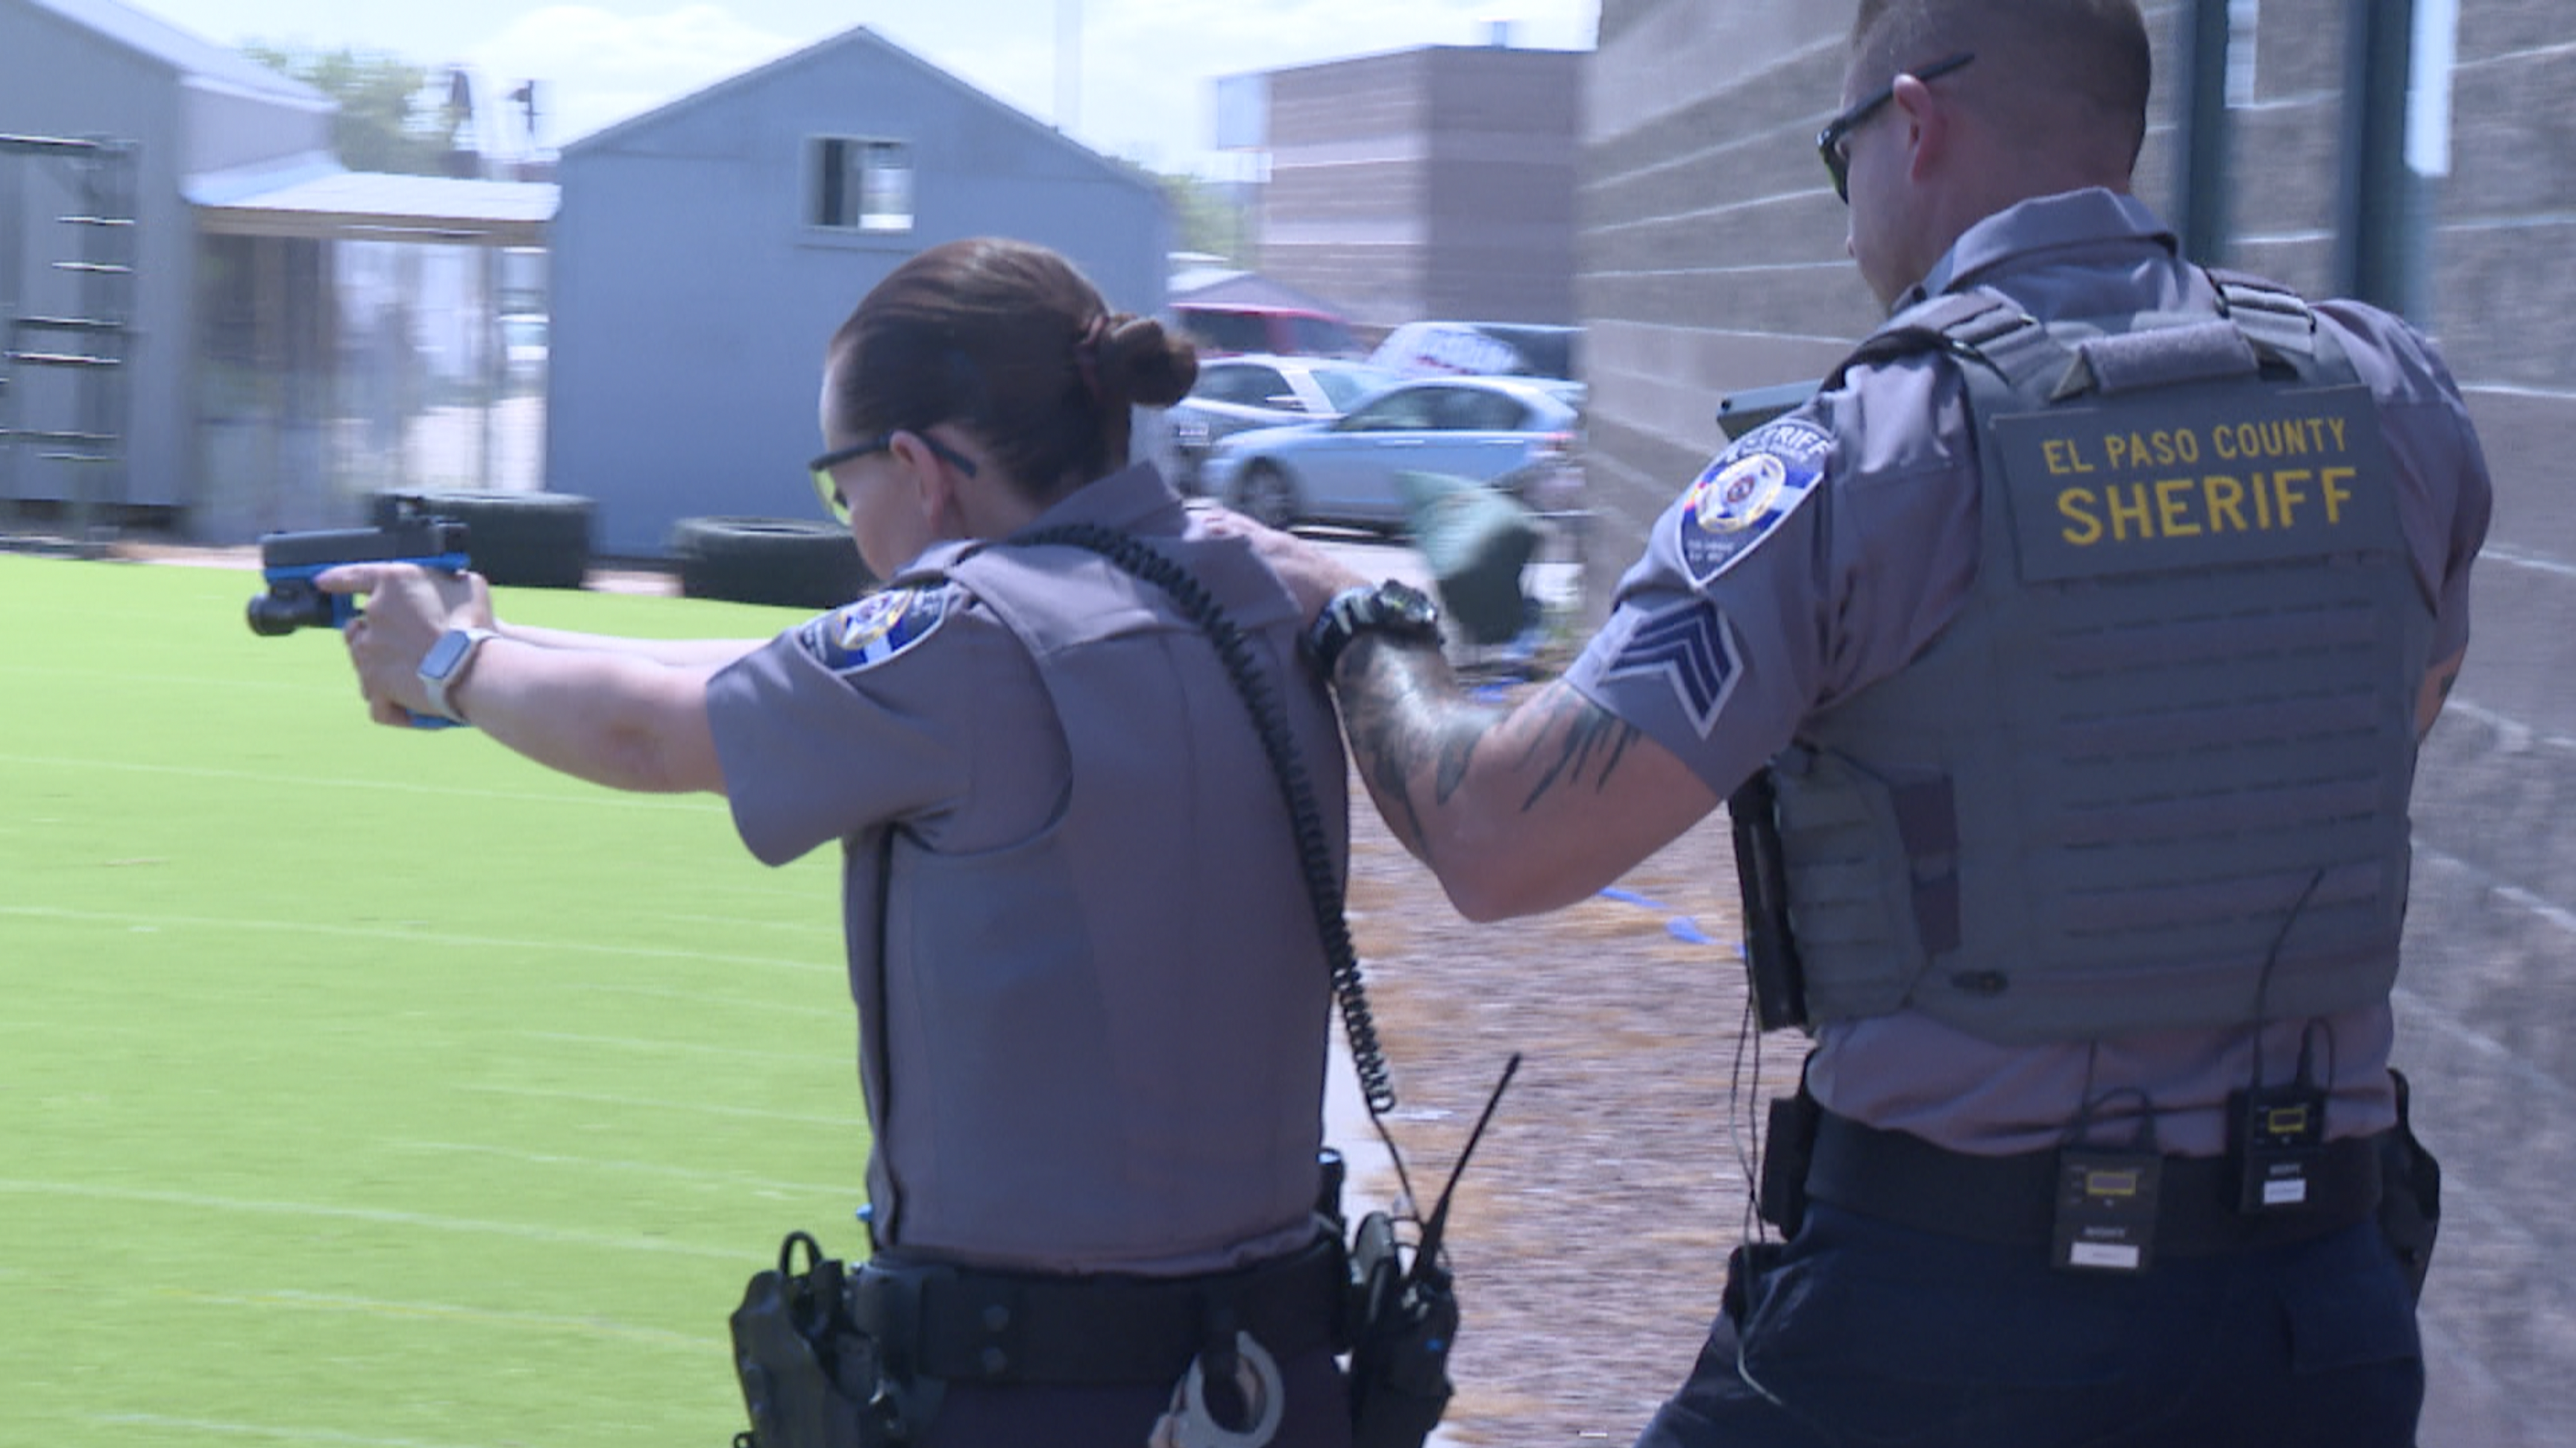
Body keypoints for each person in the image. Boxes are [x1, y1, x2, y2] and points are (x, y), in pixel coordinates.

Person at [1238, 3, 2492, 1446]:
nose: (1845, 228)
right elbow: (2392, 726)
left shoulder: (1865, 460)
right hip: (2314, 1325)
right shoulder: (2393, 402)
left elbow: (1496, 840)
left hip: (1951, 1323)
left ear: (1914, 121)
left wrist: (1361, 624)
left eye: (1839, 158)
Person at [321, 236, 1360, 1448]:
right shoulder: (1249, 590)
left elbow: (650, 735)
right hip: (1280, 1381)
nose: (849, 517)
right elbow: (761, 674)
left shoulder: (962, 643)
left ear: (917, 468)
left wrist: (449, 666)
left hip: (1041, 1394)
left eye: (841, 483)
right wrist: (490, 646)